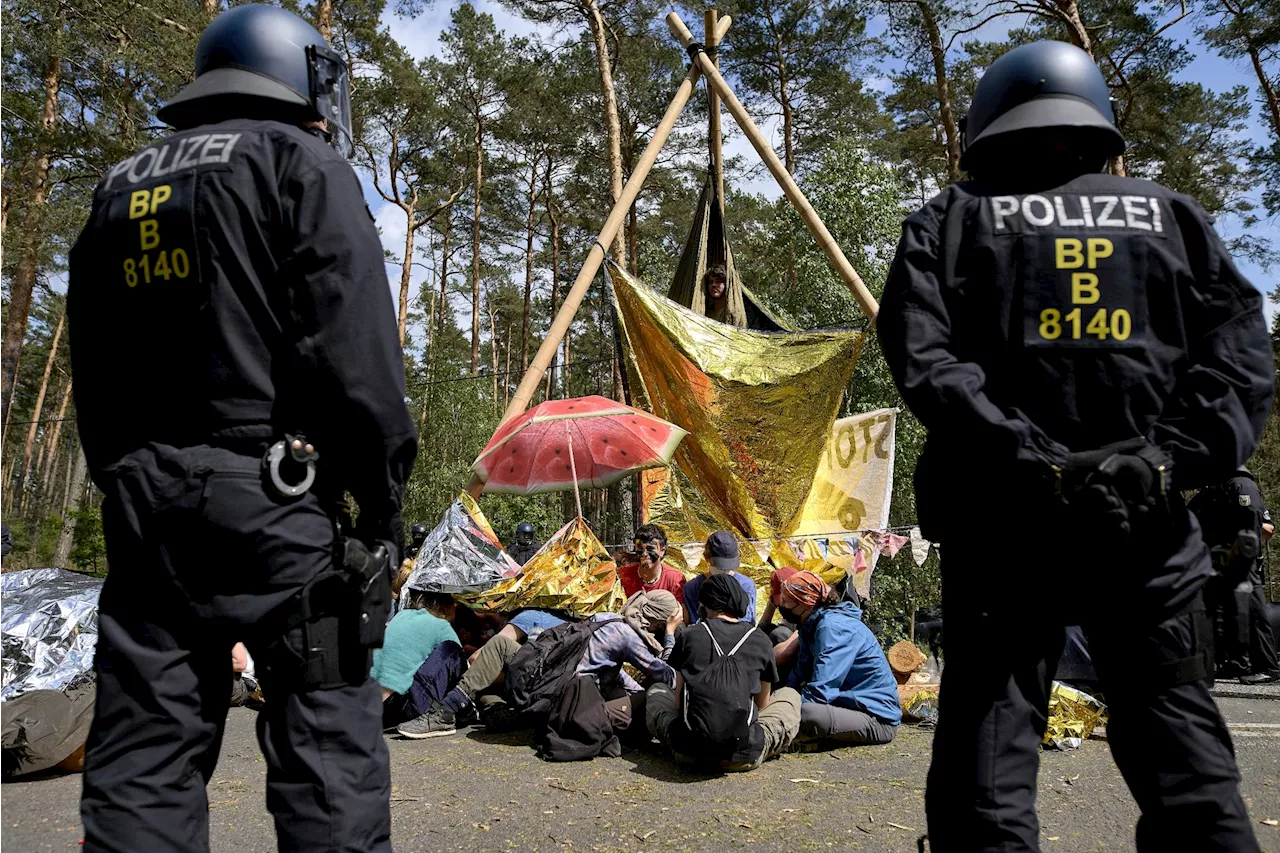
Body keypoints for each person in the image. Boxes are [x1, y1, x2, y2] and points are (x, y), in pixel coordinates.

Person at [877, 40, 1272, 852]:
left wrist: (1027, 456)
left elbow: (926, 362)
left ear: (984, 125)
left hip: (1003, 535)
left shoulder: (950, 222)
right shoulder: (1175, 220)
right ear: (1096, 122)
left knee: (986, 779)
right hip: (1151, 535)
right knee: (1190, 777)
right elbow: (1239, 364)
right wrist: (1165, 460)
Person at [67, 6, 416, 852]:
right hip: (278, 505)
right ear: (296, 74)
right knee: (326, 743)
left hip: (148, 512)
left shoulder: (117, 187)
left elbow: (92, 358)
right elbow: (354, 350)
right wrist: (380, 504)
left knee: (143, 754)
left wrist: (124, 477)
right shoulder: (299, 162)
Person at [647, 573, 800, 771]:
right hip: (744, 753)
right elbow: (762, 706)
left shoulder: (689, 635)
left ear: (705, 605)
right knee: (790, 695)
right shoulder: (760, 639)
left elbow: (678, 704)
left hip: (689, 752)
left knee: (657, 691)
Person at [776, 571, 900, 749]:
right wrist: (780, 698)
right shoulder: (809, 625)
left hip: (876, 718)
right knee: (783, 700)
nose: (782, 605)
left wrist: (783, 711)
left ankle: (809, 740)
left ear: (805, 604)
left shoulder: (833, 628)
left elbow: (822, 690)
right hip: (846, 705)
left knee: (808, 713)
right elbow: (798, 674)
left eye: (787, 602)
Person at [1189, 468, 1279, 683]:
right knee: (1226, 617)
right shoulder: (1211, 490)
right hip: (1213, 564)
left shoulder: (1240, 484)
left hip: (1239, 561)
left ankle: (1267, 666)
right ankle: (1237, 663)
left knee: (1252, 612)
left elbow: (1261, 527)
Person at [428, 608, 571, 734]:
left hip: (541, 679)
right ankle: (504, 712)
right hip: (558, 687)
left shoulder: (530, 615)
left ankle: (447, 709)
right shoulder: (569, 620)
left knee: (497, 647)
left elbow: (476, 659)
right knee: (489, 688)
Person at [372, 591, 467, 738]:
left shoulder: (401, 616)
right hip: (402, 709)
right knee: (452, 650)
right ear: (446, 607)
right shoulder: (442, 626)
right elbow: (462, 670)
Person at [684, 531, 757, 624]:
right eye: (719, 565)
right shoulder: (693, 587)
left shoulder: (746, 585)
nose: (724, 569)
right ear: (707, 557)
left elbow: (748, 621)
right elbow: (694, 622)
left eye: (728, 565)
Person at [616, 523, 687, 602]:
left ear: (662, 551)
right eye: (640, 549)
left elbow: (681, 613)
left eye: (650, 549)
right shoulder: (622, 575)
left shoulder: (675, 579)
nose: (645, 554)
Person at [758, 566, 801, 680]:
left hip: (803, 647)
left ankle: (780, 681)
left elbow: (785, 651)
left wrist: (767, 659)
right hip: (791, 639)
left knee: (779, 634)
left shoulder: (804, 604)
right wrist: (771, 605)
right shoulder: (788, 608)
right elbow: (760, 630)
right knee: (764, 631)